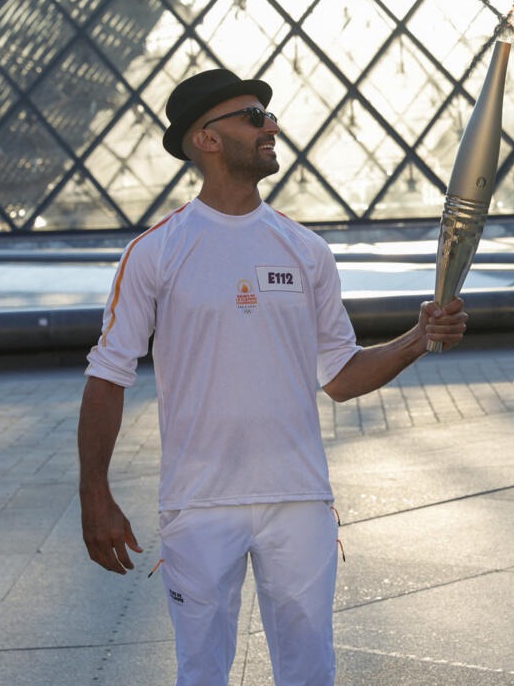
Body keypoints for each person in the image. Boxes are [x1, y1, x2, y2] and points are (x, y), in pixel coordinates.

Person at [77, 68, 468, 686]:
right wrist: (93, 494)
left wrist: (419, 339)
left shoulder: (306, 249)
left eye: (270, 115)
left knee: (311, 673)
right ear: (205, 139)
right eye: (254, 117)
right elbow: (107, 376)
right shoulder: (155, 252)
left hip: (300, 499)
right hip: (198, 503)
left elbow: (338, 375)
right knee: (201, 673)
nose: (272, 126)